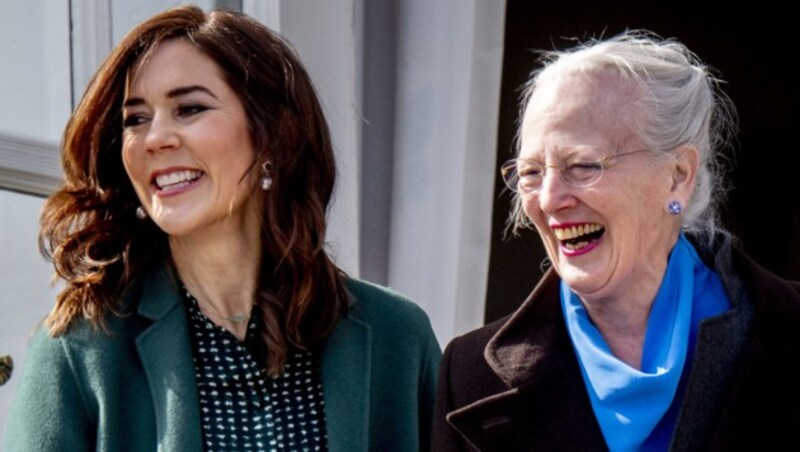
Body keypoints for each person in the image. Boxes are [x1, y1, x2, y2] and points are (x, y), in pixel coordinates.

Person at [4, 5, 441, 451]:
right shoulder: (81, 350)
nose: (155, 138)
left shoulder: (397, 338)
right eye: (136, 119)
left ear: (272, 135)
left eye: (189, 108)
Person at [432, 30, 800, 451]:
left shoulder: (786, 332)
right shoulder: (469, 375)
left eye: (583, 165)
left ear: (678, 176)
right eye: (531, 172)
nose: (549, 200)